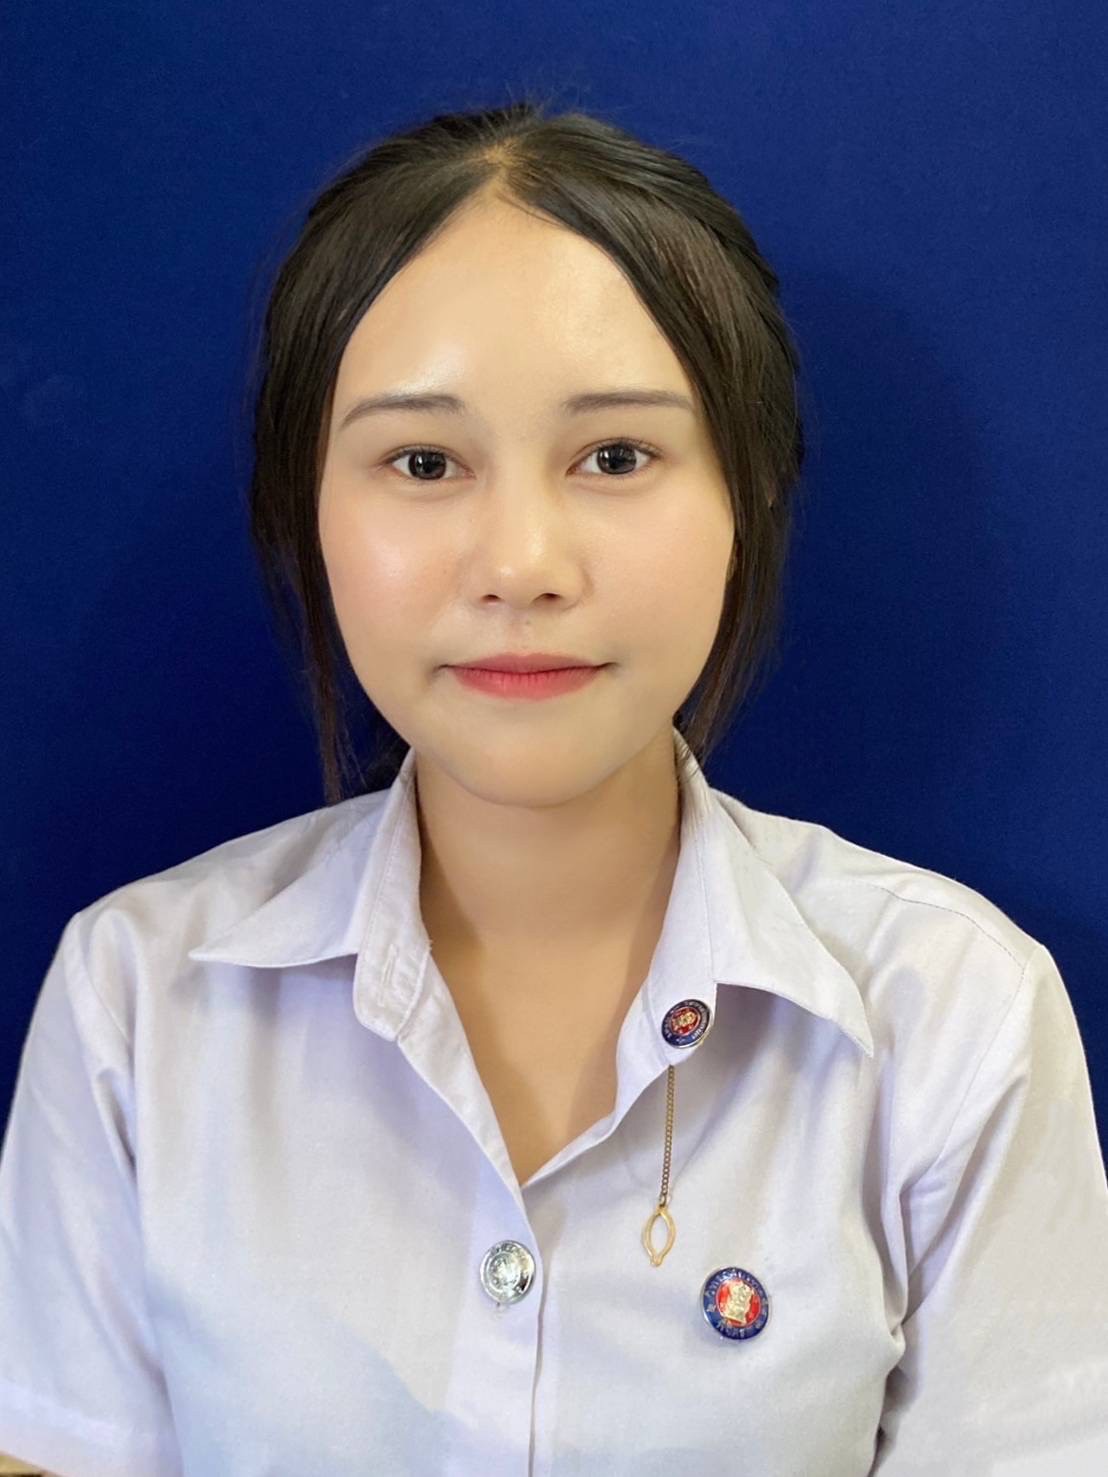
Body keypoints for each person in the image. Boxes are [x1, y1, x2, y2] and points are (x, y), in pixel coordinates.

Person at [1, 99, 1106, 1477]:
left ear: (750, 496)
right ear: (307, 507)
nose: (521, 563)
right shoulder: (134, 1004)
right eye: (422, 462)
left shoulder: (954, 1017)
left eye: (616, 457)